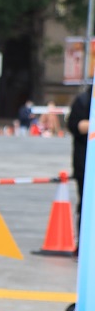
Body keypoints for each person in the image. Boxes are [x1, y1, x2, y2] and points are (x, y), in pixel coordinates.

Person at [68, 86, 91, 230]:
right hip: (85, 164)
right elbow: (74, 125)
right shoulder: (84, 100)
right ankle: (83, 238)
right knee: (86, 203)